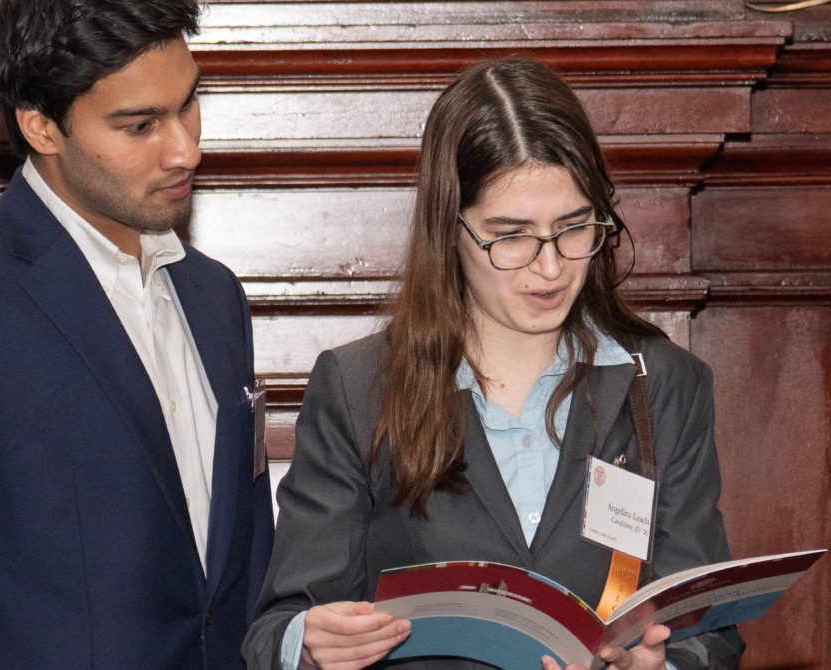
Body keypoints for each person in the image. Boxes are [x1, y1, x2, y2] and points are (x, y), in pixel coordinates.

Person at [243, 58, 744, 670]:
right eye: (511, 235)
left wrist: (662, 666)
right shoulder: (360, 388)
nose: (552, 266)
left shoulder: (665, 384)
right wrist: (311, 646)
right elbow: (275, 629)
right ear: (448, 230)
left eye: (574, 226)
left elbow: (708, 629)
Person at [0, 0, 273, 667]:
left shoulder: (215, 296)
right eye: (139, 125)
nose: (186, 147)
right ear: (41, 127)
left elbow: (242, 580)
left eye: (189, 104)